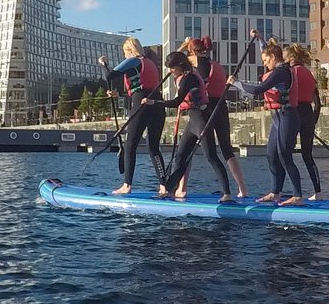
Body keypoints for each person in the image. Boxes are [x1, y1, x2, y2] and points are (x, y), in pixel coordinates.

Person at [152, 49, 234, 202]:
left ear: (180, 66)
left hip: (201, 120)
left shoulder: (189, 78)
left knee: (211, 157)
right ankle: (169, 190)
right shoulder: (185, 75)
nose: (171, 71)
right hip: (193, 120)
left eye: (172, 68)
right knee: (181, 156)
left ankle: (227, 194)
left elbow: (176, 102)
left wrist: (154, 102)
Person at [186, 36, 249, 199]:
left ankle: (182, 188)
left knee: (187, 149)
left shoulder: (198, 63)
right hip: (222, 107)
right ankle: (242, 189)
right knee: (227, 149)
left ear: (193, 51)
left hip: (206, 109)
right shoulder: (217, 66)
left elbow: (176, 61)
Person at [100, 38, 165, 196]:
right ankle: (164, 186)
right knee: (153, 147)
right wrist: (119, 94)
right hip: (157, 104)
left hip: (141, 106)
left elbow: (108, 77)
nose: (124, 55)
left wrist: (103, 64)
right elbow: (142, 89)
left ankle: (127, 185)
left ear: (130, 50)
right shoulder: (150, 63)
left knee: (130, 146)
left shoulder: (133, 61)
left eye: (124, 52)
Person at [243, 41, 304, 205]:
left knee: (285, 155)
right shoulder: (277, 71)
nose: (264, 64)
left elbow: (257, 90)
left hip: (288, 117)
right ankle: (275, 192)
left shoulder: (281, 72)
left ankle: (298, 196)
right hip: (277, 118)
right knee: (271, 155)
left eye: (265, 60)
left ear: (273, 57)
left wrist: (235, 82)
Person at [284, 43, 325, 199]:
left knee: (285, 153)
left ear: (292, 58)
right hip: (308, 112)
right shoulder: (309, 74)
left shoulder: (290, 73)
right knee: (307, 155)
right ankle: (318, 191)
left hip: (294, 112)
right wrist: (313, 120)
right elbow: (318, 103)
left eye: (285, 56)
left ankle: (293, 192)